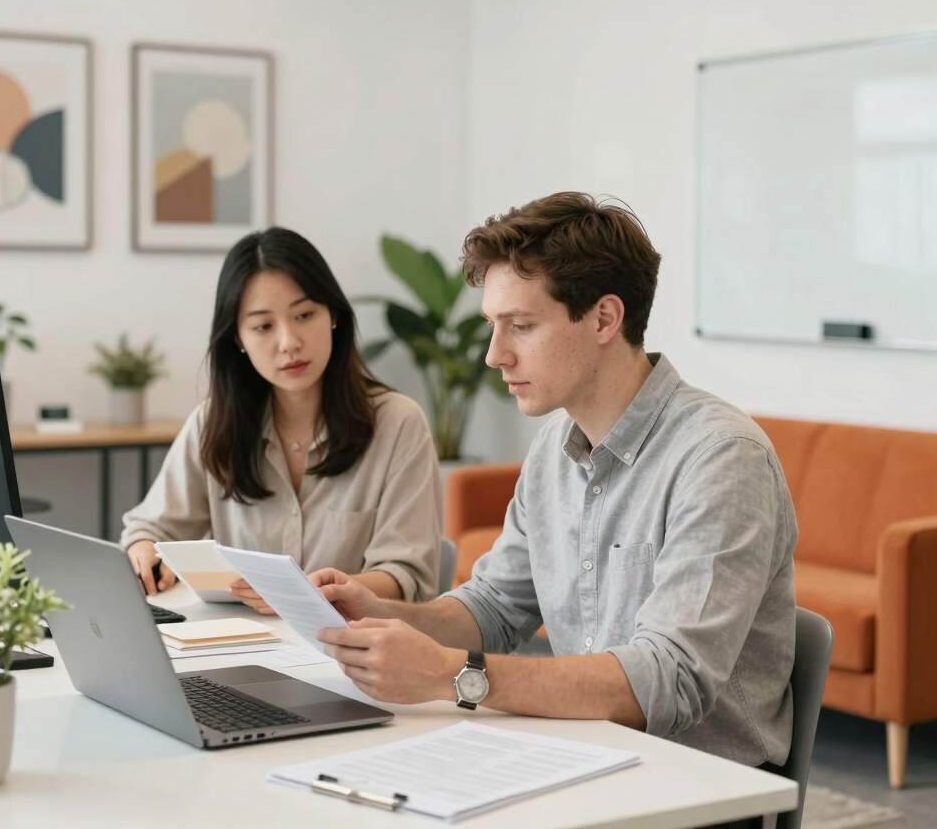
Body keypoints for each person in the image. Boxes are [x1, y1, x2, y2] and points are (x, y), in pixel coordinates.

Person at [314, 191, 797, 772]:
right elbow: (495, 607)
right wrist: (384, 617)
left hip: (696, 786)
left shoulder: (720, 458)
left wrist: (451, 675)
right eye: (494, 325)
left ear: (604, 318)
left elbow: (670, 681)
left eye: (521, 325)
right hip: (583, 757)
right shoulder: (554, 449)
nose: (495, 355)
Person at [121, 227, 442, 611]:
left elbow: (407, 575)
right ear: (238, 339)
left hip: (354, 649)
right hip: (239, 645)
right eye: (263, 326)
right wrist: (143, 551)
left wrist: (303, 595)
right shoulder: (214, 423)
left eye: (304, 315)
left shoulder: (398, 424)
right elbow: (153, 529)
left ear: (333, 316)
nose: (289, 342)